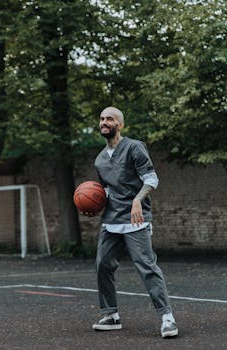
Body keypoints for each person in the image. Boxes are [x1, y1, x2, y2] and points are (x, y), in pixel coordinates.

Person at [91, 106, 178, 338]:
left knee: (146, 267)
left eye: (109, 119)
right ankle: (111, 315)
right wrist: (92, 206)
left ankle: (167, 318)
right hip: (111, 220)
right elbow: (106, 191)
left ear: (120, 124)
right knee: (103, 264)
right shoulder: (100, 160)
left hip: (136, 219)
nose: (104, 123)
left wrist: (138, 199)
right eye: (101, 119)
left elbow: (151, 178)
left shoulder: (134, 147)